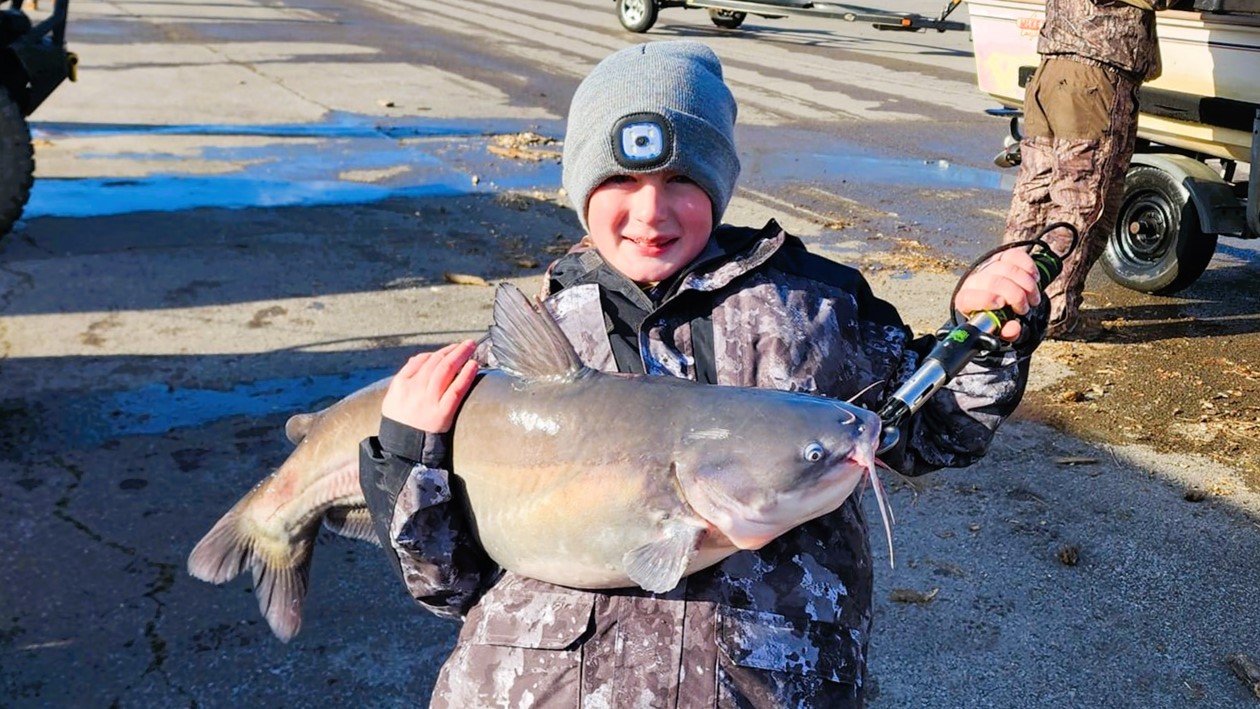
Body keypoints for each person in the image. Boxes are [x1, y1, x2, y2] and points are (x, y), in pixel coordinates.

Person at [360, 40, 1047, 708]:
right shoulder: (516, 356)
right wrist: (403, 461)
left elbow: (933, 426)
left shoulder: (816, 309)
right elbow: (447, 583)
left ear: (719, 181)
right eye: (620, 180)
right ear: (579, 187)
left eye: (681, 179)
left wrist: (982, 334)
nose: (651, 212)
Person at [1002, 0, 1167, 340]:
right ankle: (1055, 313)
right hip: (1094, 79)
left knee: (1033, 199)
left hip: (1051, 72)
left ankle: (1006, 301)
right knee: (1079, 204)